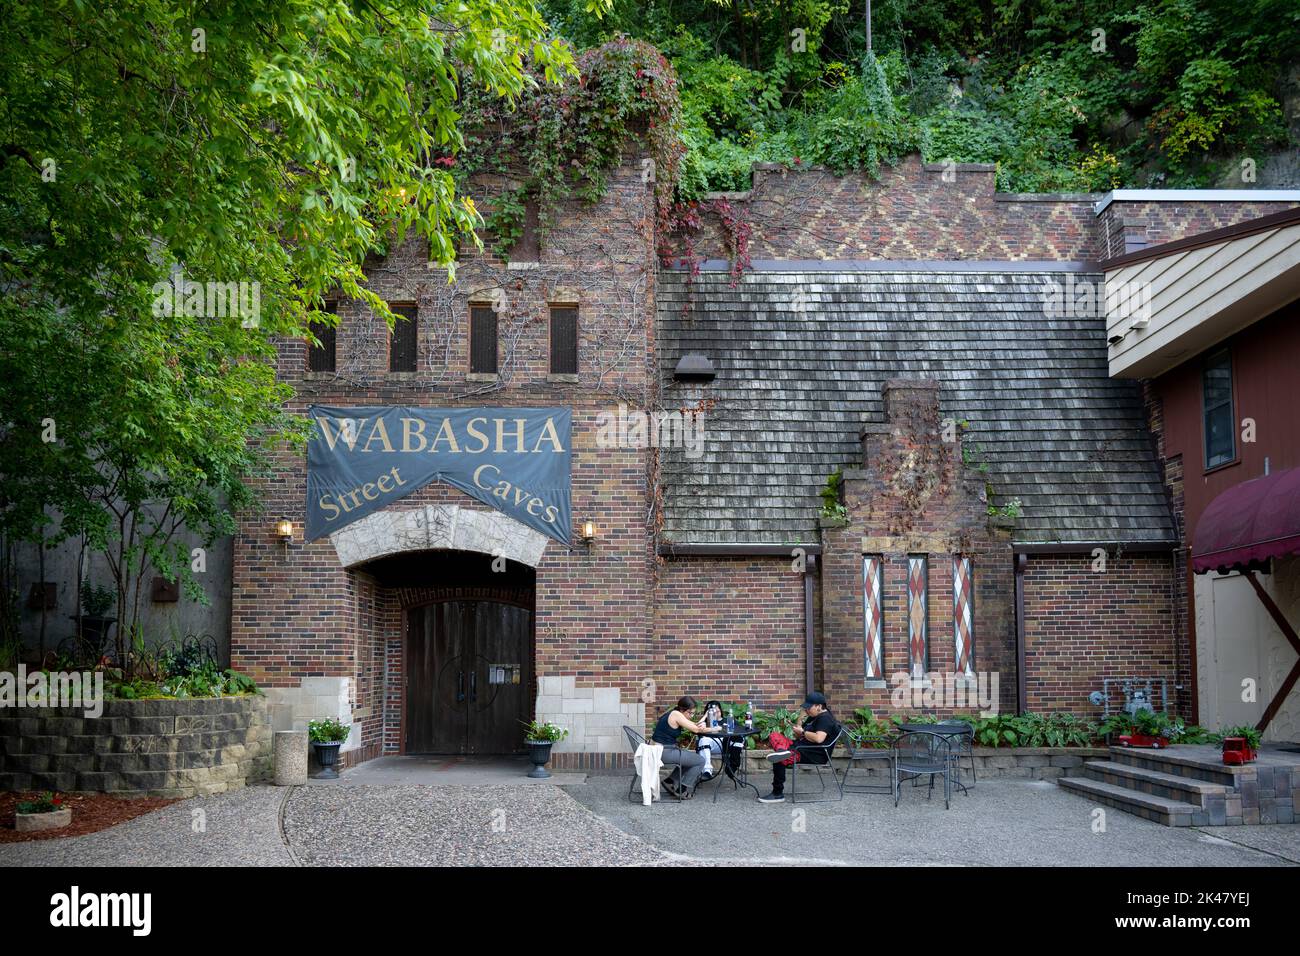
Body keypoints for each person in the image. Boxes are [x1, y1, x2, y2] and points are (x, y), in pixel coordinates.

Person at [759, 691, 839, 803]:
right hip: (800, 747)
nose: (806, 710)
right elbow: (798, 735)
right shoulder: (815, 716)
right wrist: (800, 720)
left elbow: (819, 738)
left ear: (819, 706)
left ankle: (777, 794)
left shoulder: (825, 719)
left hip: (811, 753)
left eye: (808, 707)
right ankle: (782, 751)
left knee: (779, 758)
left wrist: (803, 732)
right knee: (774, 735)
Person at [651, 695, 712, 797]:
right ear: (682, 709)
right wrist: (715, 729)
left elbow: (695, 725)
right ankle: (681, 790)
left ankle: (670, 781)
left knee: (689, 759)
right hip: (663, 751)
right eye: (690, 713)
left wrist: (705, 717)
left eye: (693, 713)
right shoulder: (676, 715)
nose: (692, 715)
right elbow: (696, 730)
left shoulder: (675, 714)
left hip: (660, 750)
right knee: (700, 761)